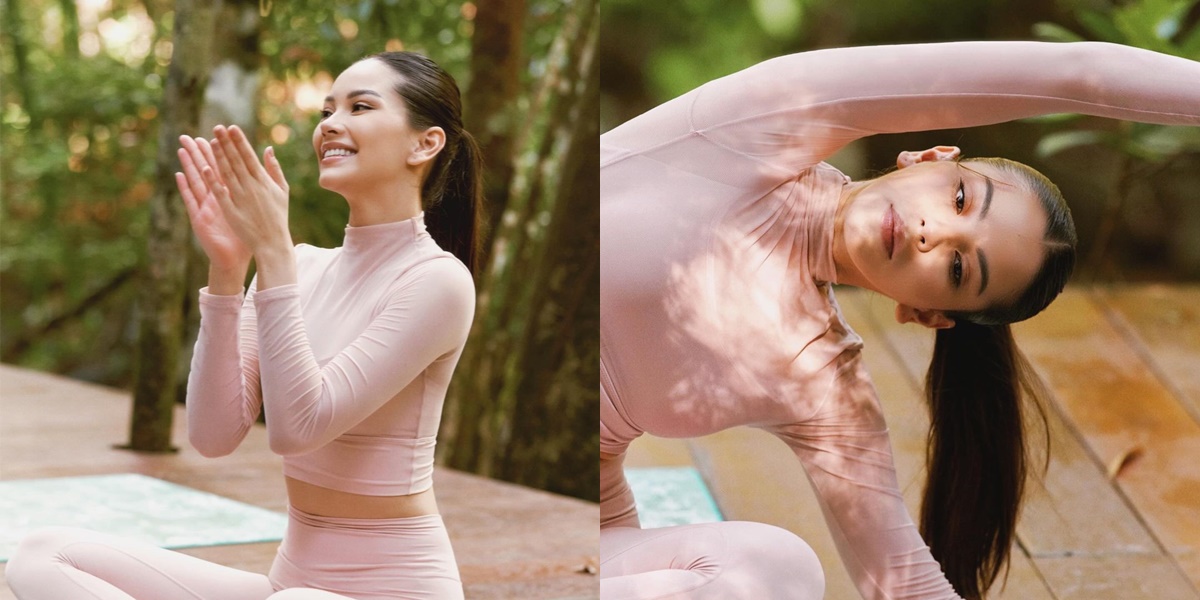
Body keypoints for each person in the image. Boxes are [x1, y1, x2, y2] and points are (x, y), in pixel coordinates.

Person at [599, 41, 1199, 599]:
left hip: (577, 535)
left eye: (960, 269)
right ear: (930, 156)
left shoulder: (825, 388)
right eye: (960, 199)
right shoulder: (753, 126)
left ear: (929, 313)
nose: (932, 232)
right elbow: (1069, 74)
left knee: (777, 568)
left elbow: (907, 586)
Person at [8, 51, 482, 600]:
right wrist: (229, 270)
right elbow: (212, 435)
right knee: (42, 555)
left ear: (425, 143)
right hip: (292, 585)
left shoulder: (438, 282)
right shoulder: (299, 265)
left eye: (360, 106)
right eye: (328, 109)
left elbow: (298, 427)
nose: (330, 122)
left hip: (394, 589)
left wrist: (272, 253)